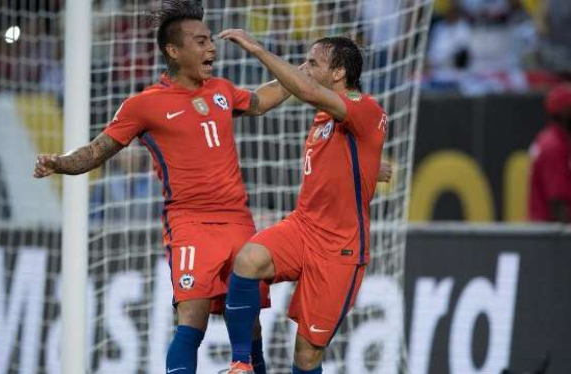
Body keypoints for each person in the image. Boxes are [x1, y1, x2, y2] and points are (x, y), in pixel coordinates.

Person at [33, 1, 294, 373]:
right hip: (189, 223)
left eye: (210, 40)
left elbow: (261, 100)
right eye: (201, 41)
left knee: (250, 326)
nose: (211, 48)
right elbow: (96, 150)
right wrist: (60, 162)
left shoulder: (221, 89)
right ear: (174, 50)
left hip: (237, 219)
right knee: (192, 316)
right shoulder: (144, 105)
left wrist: (305, 73)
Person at [217, 29, 387, 374]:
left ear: (338, 73)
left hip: (340, 248)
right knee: (247, 260)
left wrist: (257, 49)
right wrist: (371, 166)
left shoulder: (364, 108)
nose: (305, 68)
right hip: (303, 226)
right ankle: (242, 365)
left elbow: (307, 90)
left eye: (313, 62)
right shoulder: (326, 116)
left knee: (306, 357)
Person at [528, 83, 571, 222]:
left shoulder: (549, 138)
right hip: (550, 235)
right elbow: (557, 204)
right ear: (563, 111)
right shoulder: (554, 145)